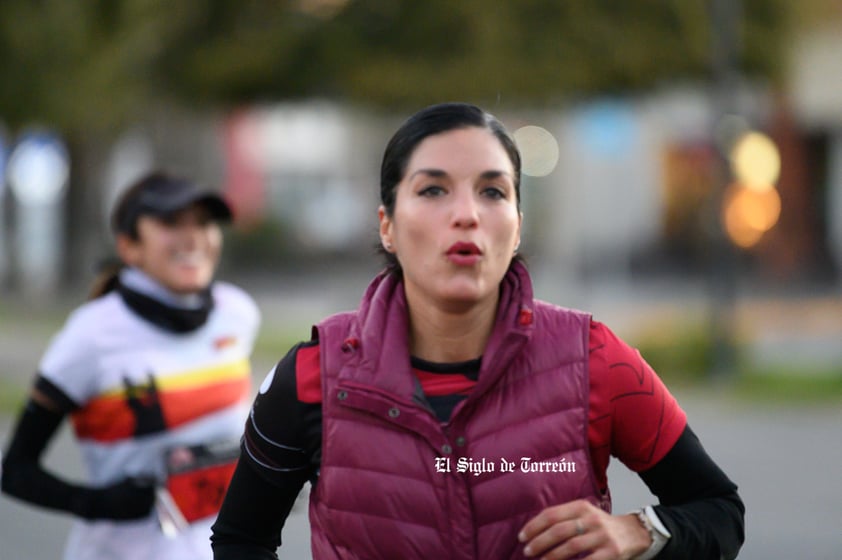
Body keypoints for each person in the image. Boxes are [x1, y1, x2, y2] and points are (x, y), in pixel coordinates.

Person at [210, 102, 744, 560]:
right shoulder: (311, 376)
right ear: (387, 227)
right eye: (433, 190)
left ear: (516, 226)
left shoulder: (596, 358)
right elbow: (240, 538)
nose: (466, 214)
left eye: (492, 192)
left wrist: (639, 532)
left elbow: (719, 511)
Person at [1, 171, 261, 560]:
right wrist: (99, 503)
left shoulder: (237, 313)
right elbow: (16, 471)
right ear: (129, 246)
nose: (193, 237)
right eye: (171, 223)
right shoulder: (90, 336)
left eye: (204, 223)